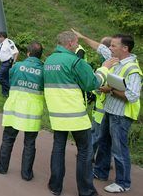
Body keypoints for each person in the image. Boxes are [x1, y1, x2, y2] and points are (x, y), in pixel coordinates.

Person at [44, 31, 116, 196]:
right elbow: (93, 83)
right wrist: (104, 69)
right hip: (76, 116)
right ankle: (86, 191)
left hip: (56, 115)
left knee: (58, 149)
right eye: (76, 43)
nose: (77, 46)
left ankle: (55, 186)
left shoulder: (48, 60)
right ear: (69, 43)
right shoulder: (76, 61)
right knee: (85, 152)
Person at [0, 41, 44, 181]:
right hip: (32, 112)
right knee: (30, 143)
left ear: (28, 53)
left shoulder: (17, 66)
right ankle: (26, 174)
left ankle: (1, 167)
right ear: (40, 56)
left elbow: (10, 80)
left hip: (14, 109)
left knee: (8, 139)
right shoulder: (43, 70)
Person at [93, 34, 141, 193]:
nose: (110, 49)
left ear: (125, 48)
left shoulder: (132, 69)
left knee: (119, 148)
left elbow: (133, 95)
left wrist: (110, 89)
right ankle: (100, 171)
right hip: (110, 109)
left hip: (121, 115)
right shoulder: (116, 61)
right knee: (103, 142)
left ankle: (123, 182)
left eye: (113, 46)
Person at [71, 29, 113, 157]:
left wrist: (83, 37)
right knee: (100, 134)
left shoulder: (111, 58)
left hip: (105, 106)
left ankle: (89, 156)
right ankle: (101, 159)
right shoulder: (110, 62)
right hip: (102, 105)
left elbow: (100, 48)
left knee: (98, 133)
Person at [0, 31, 19, 97]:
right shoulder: (2, 44)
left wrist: (14, 63)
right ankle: (5, 94)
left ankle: (12, 90)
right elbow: (1, 53)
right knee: (5, 78)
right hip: (3, 63)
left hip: (8, 63)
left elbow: (16, 52)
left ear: (2, 37)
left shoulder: (9, 42)